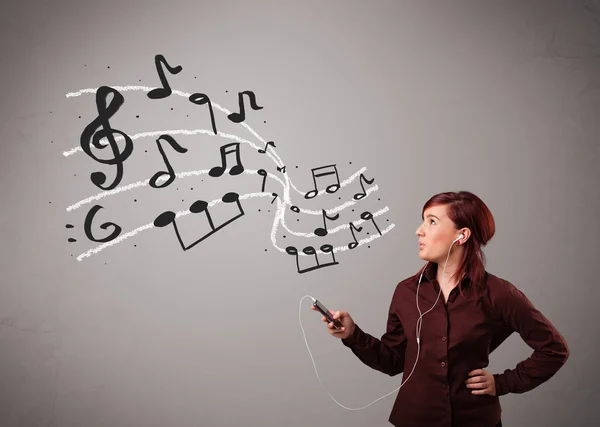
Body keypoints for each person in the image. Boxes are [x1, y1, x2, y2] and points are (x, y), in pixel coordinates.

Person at [311, 191, 570, 427]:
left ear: (462, 235)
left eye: (432, 221)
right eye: (423, 221)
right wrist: (352, 335)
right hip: (415, 419)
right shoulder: (406, 292)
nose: (419, 231)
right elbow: (394, 361)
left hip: (476, 421)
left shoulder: (499, 294)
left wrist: (502, 383)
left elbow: (554, 350)